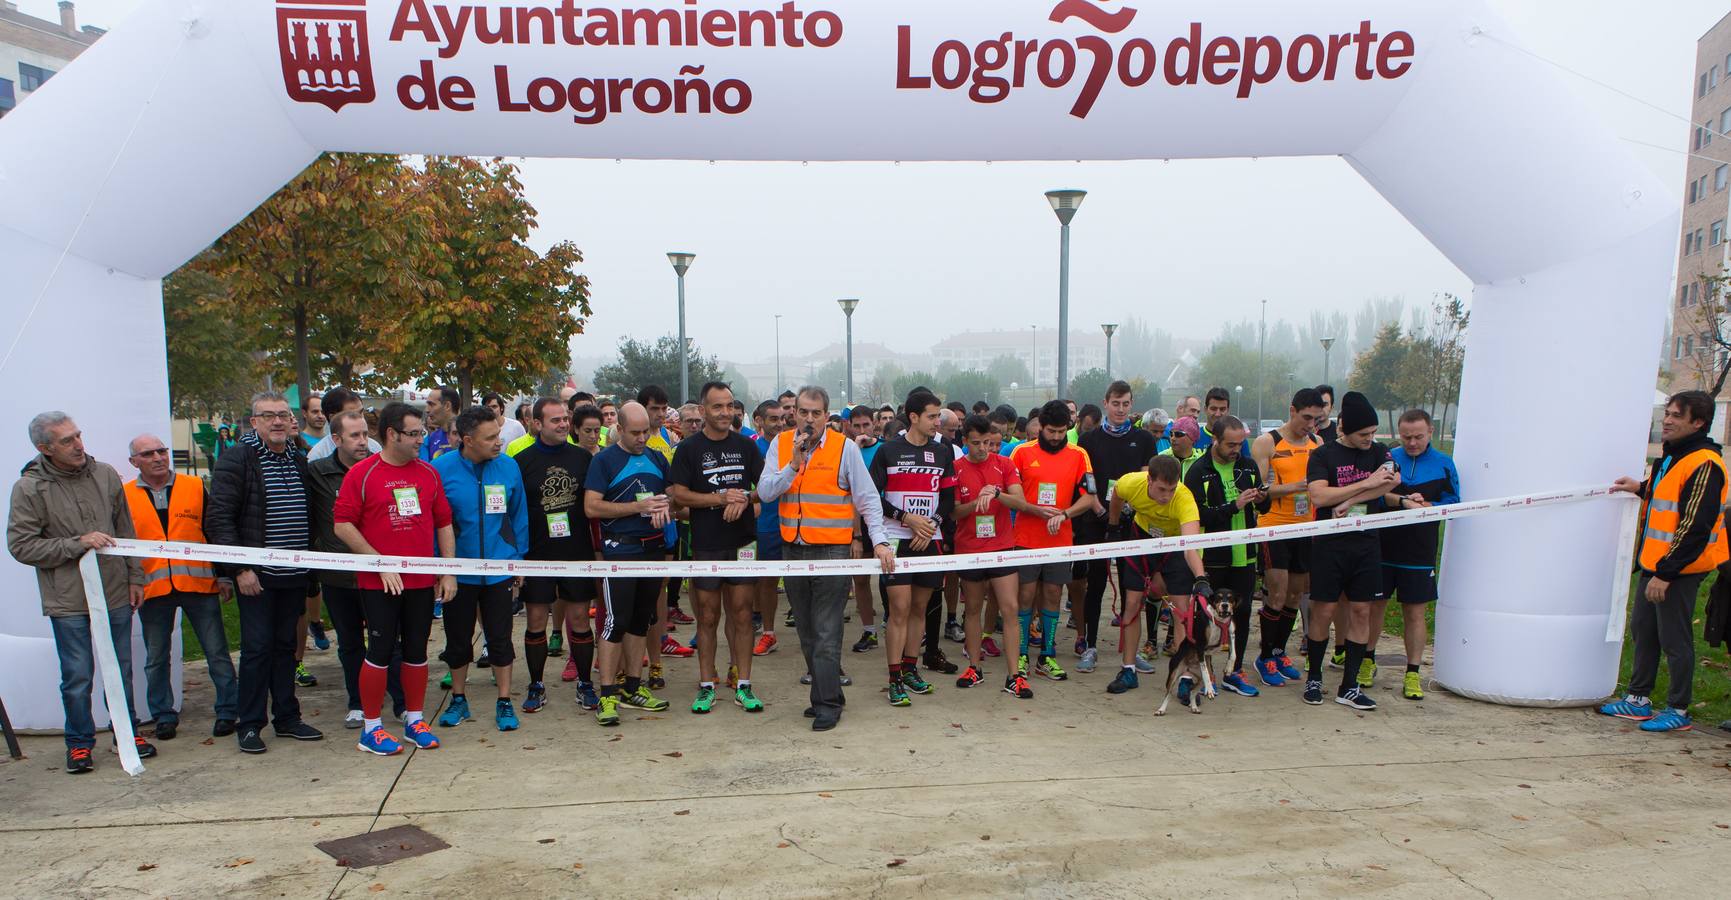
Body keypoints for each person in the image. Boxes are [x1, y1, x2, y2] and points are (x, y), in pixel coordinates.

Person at [8, 412, 156, 772]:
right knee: (77, 675)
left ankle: (127, 731)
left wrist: (135, 577)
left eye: (78, 436)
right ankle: (79, 743)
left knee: (121, 669)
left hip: (116, 591)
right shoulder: (29, 488)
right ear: (44, 448)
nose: (78, 445)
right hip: (68, 599)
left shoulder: (104, 473)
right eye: (66, 440)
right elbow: (21, 546)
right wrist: (77, 544)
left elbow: (126, 532)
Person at [758, 386, 896, 730]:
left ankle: (827, 703)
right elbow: (765, 492)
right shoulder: (781, 445)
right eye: (802, 412)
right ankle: (827, 690)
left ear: (826, 415)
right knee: (806, 630)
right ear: (795, 414)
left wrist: (878, 541)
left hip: (832, 552)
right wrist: (793, 464)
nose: (808, 419)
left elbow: (867, 499)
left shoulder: (844, 448)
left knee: (826, 629)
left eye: (815, 413)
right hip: (794, 548)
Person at [333, 401, 455, 755]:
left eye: (422, 432)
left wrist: (446, 570)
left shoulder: (428, 473)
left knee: (417, 651)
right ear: (391, 434)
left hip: (420, 580)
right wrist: (379, 563)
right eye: (414, 433)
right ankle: (371, 728)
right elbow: (342, 525)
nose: (421, 440)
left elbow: (443, 522)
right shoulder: (363, 473)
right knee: (380, 651)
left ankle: (414, 720)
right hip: (380, 582)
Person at [206, 392, 324, 754]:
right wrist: (240, 569)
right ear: (253, 422)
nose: (277, 421)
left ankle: (287, 717)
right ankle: (251, 723)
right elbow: (219, 519)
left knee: (287, 647)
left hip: (294, 573)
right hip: (256, 576)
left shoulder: (299, 459)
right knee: (257, 649)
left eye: (282, 415)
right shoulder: (237, 459)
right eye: (268, 415)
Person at [1602, 390, 1727, 733]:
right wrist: (1641, 488)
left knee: (1675, 638)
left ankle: (1679, 709)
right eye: (1667, 413)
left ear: (1698, 423)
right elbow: (1669, 497)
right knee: (1644, 631)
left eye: (1676, 415)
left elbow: (1695, 525)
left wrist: (1667, 574)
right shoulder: (1672, 457)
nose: (1667, 420)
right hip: (1655, 565)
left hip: (1679, 570)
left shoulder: (1704, 463)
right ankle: (1638, 699)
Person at [124, 433, 237, 741]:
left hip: (198, 583)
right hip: (153, 589)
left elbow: (214, 532)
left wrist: (224, 575)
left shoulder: (194, 486)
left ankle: (228, 709)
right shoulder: (124, 496)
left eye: (162, 451)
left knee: (216, 651)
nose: (158, 457)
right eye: (148, 454)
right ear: (134, 462)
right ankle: (163, 714)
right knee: (156, 656)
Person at [668, 382, 767, 714]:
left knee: (742, 615)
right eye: (717, 407)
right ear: (702, 410)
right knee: (708, 617)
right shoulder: (688, 449)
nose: (725, 413)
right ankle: (706, 685)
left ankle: (744, 685)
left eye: (729, 406)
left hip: (742, 542)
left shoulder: (747, 446)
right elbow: (678, 495)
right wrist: (720, 498)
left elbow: (765, 487)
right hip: (707, 543)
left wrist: (745, 499)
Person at [1301, 390, 1399, 711]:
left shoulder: (1380, 451)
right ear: (1344, 429)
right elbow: (1319, 497)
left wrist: (1349, 500)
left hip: (1367, 544)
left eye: (1373, 433)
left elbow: (1391, 481)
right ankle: (1314, 677)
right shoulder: (1323, 456)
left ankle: (1350, 685)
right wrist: (1365, 484)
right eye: (1363, 434)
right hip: (1329, 546)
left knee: (1361, 611)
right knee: (1324, 612)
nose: (1369, 439)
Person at [433, 406, 529, 732]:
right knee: (458, 641)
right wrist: (439, 568)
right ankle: (459, 699)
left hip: (500, 568)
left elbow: (518, 517)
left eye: (498, 435)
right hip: (458, 573)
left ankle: (504, 701)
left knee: (500, 639)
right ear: (468, 439)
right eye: (490, 438)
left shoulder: (508, 467)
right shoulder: (441, 469)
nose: (498, 442)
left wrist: (518, 559)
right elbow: (435, 522)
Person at [584, 401, 678, 725]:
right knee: (615, 621)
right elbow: (592, 508)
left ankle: (633, 688)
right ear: (619, 430)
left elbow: (669, 496)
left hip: (652, 549)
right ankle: (607, 693)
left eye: (646, 432)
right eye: (635, 432)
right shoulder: (604, 461)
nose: (642, 438)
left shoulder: (655, 457)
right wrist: (635, 509)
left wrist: (665, 506)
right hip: (620, 552)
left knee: (642, 619)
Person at [308, 410, 404, 729]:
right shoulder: (317, 473)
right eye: (355, 436)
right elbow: (312, 521)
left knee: (387, 639)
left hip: (380, 573)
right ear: (336, 440)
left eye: (365, 434)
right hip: (338, 576)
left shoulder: (380, 470)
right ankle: (357, 702)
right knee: (350, 642)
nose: (363, 441)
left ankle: (401, 701)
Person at [869, 390, 958, 706]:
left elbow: (948, 497)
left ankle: (910, 668)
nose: (938, 421)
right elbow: (872, 498)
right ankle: (893, 679)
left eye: (938, 416)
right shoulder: (888, 451)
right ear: (914, 417)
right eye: (933, 416)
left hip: (929, 539)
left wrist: (931, 522)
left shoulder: (943, 452)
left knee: (920, 608)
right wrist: (906, 518)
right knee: (900, 610)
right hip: (897, 539)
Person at [519, 399, 601, 705]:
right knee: (536, 619)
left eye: (565, 419)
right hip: (537, 553)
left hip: (576, 551)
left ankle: (585, 683)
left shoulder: (583, 458)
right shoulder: (522, 461)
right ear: (537, 424)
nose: (564, 424)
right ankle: (536, 685)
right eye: (555, 421)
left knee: (580, 618)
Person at [1105, 455, 1211, 695]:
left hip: (1175, 545)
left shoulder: (1184, 499)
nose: (1166, 496)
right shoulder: (1132, 482)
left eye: (1171, 489)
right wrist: (1113, 526)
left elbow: (1190, 545)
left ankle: (1184, 675)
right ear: (1149, 480)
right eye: (1162, 489)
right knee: (1131, 603)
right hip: (1142, 538)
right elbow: (1117, 495)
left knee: (1181, 610)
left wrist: (1201, 578)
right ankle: (1128, 669)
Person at [1374, 409, 1459, 701]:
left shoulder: (1444, 464)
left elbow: (1453, 504)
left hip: (1419, 551)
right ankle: (1366, 660)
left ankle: (1412, 673)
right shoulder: (1388, 458)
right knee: (1375, 607)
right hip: (1383, 546)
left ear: (1431, 433)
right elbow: (1372, 497)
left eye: (1418, 437)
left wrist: (1428, 503)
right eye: (1406, 437)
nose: (1412, 443)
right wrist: (1402, 502)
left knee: (1415, 612)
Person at [1009, 400, 1095, 682]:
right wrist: (1033, 509)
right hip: (1024, 538)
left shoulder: (1079, 455)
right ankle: (1020, 652)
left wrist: (1066, 513)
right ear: (1039, 427)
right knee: (1024, 596)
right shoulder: (1021, 453)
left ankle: (1046, 655)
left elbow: (1089, 497)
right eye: (1050, 431)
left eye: (1061, 431)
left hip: (1060, 540)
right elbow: (1009, 494)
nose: (1056, 437)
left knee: (1053, 596)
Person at [1074, 381, 1157, 673]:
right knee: (1094, 584)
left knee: (1131, 586)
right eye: (1115, 404)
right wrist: (1100, 511)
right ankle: (1090, 644)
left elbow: (1149, 479)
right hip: (1096, 521)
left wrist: (1126, 511)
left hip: (1131, 521)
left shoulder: (1145, 439)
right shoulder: (1088, 439)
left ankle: (1131, 652)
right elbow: (1085, 480)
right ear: (1106, 403)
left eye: (1126, 404)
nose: (1120, 409)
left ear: (1131, 405)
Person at [1183, 415, 1268, 698]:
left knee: (1241, 614)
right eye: (1231, 444)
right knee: (1204, 617)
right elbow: (1197, 515)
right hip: (1213, 557)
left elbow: (1264, 506)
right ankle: (1196, 671)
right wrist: (1233, 506)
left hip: (1245, 555)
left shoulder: (1248, 465)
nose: (1236, 449)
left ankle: (1235, 671)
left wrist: (1260, 499)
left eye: (1240, 444)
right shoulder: (1198, 471)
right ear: (1215, 441)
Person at [954, 414, 1036, 698]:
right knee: (973, 609)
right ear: (965, 441)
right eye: (975, 443)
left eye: (987, 443)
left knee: (1010, 608)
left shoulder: (1005, 464)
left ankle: (1014, 676)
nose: (982, 448)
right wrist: (975, 503)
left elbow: (1022, 503)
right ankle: (974, 667)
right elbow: (953, 512)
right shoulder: (955, 468)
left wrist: (998, 494)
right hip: (969, 549)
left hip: (1002, 547)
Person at [1250, 388, 1326, 688]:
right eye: (1306, 417)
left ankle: (1280, 652)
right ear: (1292, 410)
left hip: (1307, 526)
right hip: (1274, 526)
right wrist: (1299, 485)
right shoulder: (1268, 442)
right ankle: (1265, 655)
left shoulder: (1317, 443)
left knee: (1296, 594)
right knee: (1277, 593)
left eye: (1316, 419)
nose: (1310, 424)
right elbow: (1260, 492)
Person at [751, 400, 789, 657]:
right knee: (767, 582)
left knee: (802, 585)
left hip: (796, 524)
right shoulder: (752, 448)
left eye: (782, 418)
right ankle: (768, 633)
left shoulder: (792, 445)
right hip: (765, 525)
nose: (779, 424)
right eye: (773, 419)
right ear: (759, 421)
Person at [844, 404, 883, 651]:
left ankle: (893, 622)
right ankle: (869, 631)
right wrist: (857, 535)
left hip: (883, 523)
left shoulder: (885, 450)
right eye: (856, 426)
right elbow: (850, 495)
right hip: (856, 526)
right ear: (849, 427)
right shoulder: (847, 451)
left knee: (891, 582)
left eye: (866, 425)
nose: (862, 430)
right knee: (860, 580)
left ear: (874, 424)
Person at [306, 388, 382, 462]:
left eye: (361, 412)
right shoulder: (318, 456)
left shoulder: (374, 448)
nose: (359, 418)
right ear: (333, 418)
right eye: (352, 415)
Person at [420, 386, 460, 462]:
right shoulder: (431, 438)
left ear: (447, 406)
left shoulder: (469, 435)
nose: (427, 410)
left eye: (431, 404)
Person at [1160, 416, 1202, 480]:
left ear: (1192, 438)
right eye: (1171, 434)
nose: (1173, 438)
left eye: (1178, 434)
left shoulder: (1201, 461)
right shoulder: (1161, 458)